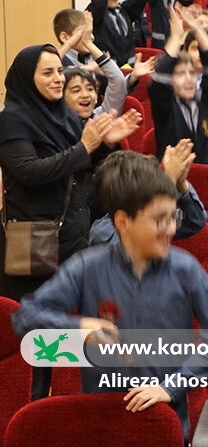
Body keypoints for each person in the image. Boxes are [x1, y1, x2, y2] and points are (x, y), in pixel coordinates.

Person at [13, 149, 208, 437]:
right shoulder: (87, 268)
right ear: (123, 223)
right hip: (101, 419)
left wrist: (172, 386)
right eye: (158, 219)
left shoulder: (185, 270)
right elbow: (25, 317)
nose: (172, 228)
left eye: (173, 216)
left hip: (165, 421)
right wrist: (78, 328)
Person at [0, 45, 137, 298]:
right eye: (47, 73)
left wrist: (104, 145)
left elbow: (80, 167)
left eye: (60, 71)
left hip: (74, 237)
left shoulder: (67, 116)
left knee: (74, 326)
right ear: (28, 77)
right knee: (39, 330)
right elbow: (29, 171)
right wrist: (86, 147)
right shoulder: (12, 119)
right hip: (35, 244)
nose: (58, 78)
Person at [148, 6, 208, 167]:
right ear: (171, 80)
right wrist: (176, 37)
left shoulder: (204, 101)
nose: (189, 79)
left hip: (206, 183)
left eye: (191, 73)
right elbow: (159, 79)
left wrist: (196, 29)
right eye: (181, 74)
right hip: (173, 184)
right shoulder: (165, 108)